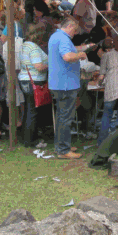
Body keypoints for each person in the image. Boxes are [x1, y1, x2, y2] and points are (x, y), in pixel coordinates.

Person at [48, 17, 93, 159]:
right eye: (75, 30)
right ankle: (63, 149)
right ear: (70, 26)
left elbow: (69, 50)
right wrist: (80, 55)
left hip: (60, 83)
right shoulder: (63, 39)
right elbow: (67, 56)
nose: (75, 33)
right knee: (65, 117)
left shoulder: (57, 36)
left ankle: (62, 144)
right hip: (65, 83)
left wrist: (83, 48)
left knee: (62, 116)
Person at [18, 24, 49, 147]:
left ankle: (26, 136)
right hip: (34, 81)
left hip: (25, 80)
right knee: (33, 111)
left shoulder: (24, 45)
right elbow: (38, 66)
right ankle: (31, 140)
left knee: (29, 110)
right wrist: (50, 65)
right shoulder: (34, 48)